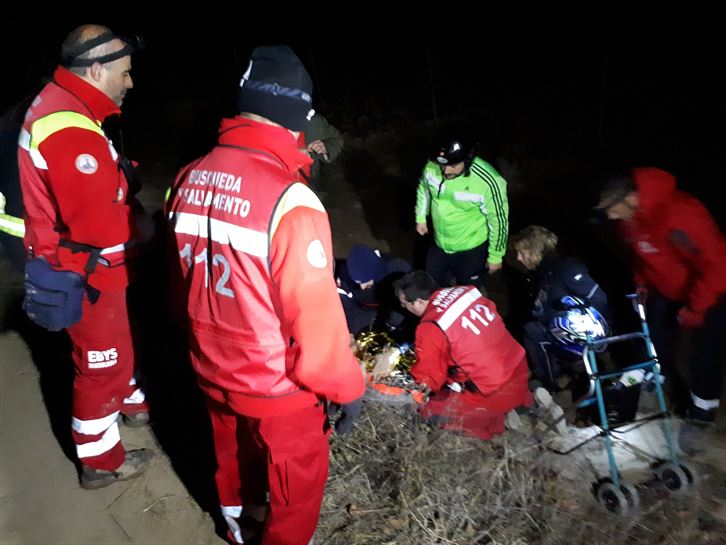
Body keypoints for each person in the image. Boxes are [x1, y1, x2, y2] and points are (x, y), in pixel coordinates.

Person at [166, 45, 366, 545]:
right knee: (296, 493)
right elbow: (315, 328)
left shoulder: (188, 177)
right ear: (299, 116)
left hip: (209, 368)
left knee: (232, 462)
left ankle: (238, 530)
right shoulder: (291, 199)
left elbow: (178, 285)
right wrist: (347, 388)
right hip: (276, 387)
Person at [17, 24, 151, 490]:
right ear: (96, 69)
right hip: (90, 273)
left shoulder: (63, 106)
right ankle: (101, 461)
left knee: (115, 351)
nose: (130, 82)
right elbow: (98, 228)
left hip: (82, 267)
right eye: (125, 72)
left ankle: (131, 404)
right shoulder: (70, 129)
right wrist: (143, 232)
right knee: (101, 365)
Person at [597, 167, 726, 450]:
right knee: (653, 342)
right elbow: (643, 256)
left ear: (631, 198)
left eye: (612, 209)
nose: (609, 216)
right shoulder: (629, 222)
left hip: (711, 290)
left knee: (705, 356)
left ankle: (701, 415)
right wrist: (642, 284)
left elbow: (715, 265)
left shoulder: (681, 214)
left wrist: (697, 308)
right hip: (667, 290)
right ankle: (647, 391)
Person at [392, 271, 531, 440]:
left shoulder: (430, 326)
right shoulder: (466, 291)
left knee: (427, 413)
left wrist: (409, 385)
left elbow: (429, 379)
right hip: (519, 368)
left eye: (405, 305)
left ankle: (490, 422)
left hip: (494, 391)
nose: (404, 309)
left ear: (419, 302)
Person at [513, 225, 609, 390]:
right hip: (559, 332)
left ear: (535, 250)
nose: (519, 258)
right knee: (528, 325)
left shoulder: (565, 267)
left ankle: (550, 385)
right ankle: (558, 375)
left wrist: (577, 321)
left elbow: (598, 298)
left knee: (533, 331)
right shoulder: (541, 273)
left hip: (583, 335)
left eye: (523, 252)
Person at [415, 125, 509, 288]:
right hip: (440, 243)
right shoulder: (432, 166)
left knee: (471, 294)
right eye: (442, 164)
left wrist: (495, 256)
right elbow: (423, 188)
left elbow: (499, 220)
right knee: (434, 290)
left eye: (453, 165)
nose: (445, 170)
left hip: (471, 249)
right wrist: (421, 217)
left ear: (468, 158)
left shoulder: (488, 181)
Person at [335, 243, 412, 336]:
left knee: (400, 320)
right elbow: (348, 308)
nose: (362, 287)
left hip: (391, 307)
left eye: (365, 281)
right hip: (363, 310)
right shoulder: (344, 278)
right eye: (358, 283)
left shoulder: (397, 268)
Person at [299, 112, 343, 190]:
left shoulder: (313, 121)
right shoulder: (271, 119)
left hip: (309, 187)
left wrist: (325, 147)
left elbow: (337, 140)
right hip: (277, 190)